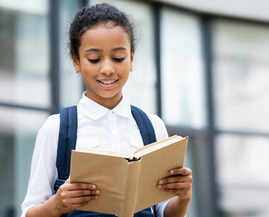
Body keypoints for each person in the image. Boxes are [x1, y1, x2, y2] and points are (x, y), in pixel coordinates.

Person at [21, 3, 193, 217]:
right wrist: (57, 205)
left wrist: (184, 196)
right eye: (94, 59)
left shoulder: (153, 127)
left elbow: (164, 213)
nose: (107, 69)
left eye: (119, 58)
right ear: (76, 60)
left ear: (131, 58)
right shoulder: (56, 129)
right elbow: (29, 211)